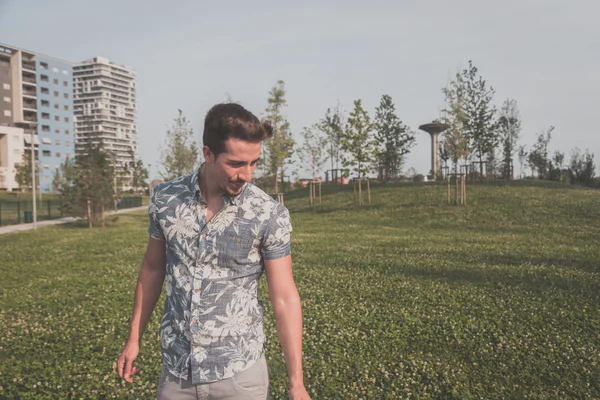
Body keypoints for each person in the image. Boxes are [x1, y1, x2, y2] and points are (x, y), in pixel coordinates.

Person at [117, 103, 311, 400]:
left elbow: (284, 296)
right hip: (177, 372)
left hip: (240, 375)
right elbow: (153, 269)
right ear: (208, 153)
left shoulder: (269, 214)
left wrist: (296, 383)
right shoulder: (165, 200)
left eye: (254, 163)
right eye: (236, 164)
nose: (247, 174)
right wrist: (134, 338)